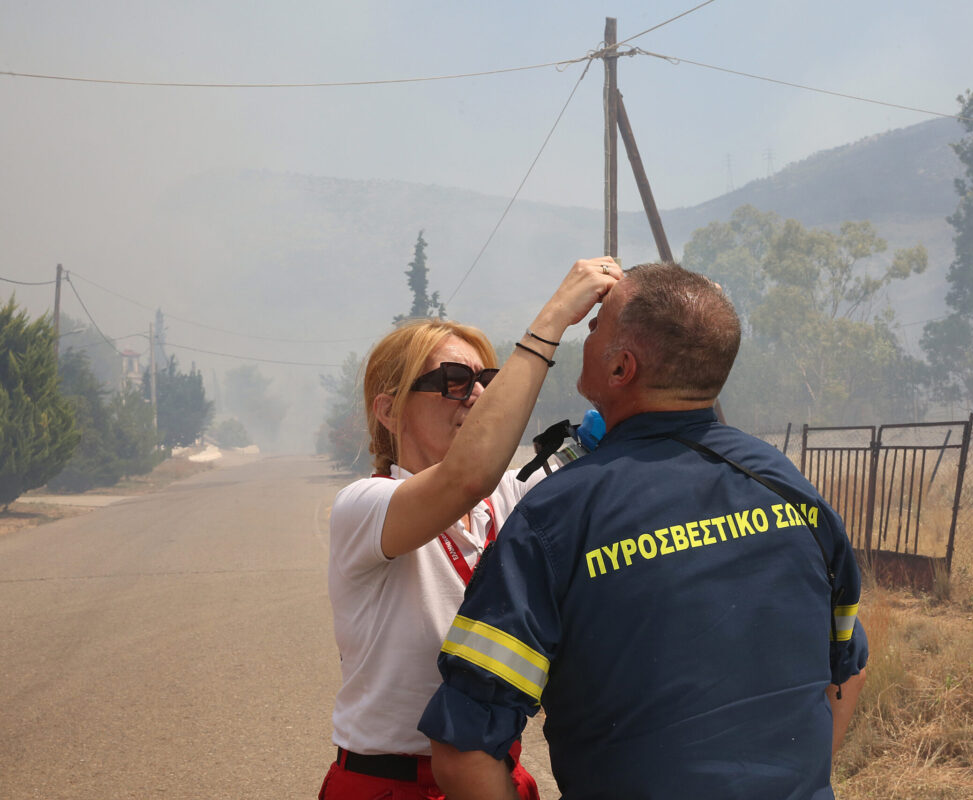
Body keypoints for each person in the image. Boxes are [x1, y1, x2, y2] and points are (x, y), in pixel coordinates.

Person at [419, 262, 869, 800]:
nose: (586, 337)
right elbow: (848, 670)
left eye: (594, 328)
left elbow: (463, 752)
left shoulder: (554, 518)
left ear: (620, 369)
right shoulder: (791, 488)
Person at [319, 257, 622, 800]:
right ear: (389, 410)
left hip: (489, 776)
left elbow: (599, 446)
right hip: (390, 786)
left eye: (487, 381)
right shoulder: (364, 506)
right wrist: (553, 318)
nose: (480, 396)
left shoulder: (508, 493)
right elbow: (463, 478)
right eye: (455, 383)